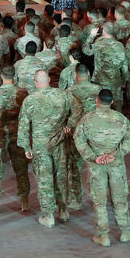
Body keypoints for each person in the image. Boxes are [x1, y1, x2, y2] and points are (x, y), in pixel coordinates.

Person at [75, 88, 130, 246]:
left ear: (97, 100)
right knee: (120, 198)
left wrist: (94, 156)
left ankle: (103, 235)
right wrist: (117, 154)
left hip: (97, 166)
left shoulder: (87, 119)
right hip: (116, 164)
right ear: (112, 102)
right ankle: (125, 231)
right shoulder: (120, 119)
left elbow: (79, 140)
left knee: (99, 201)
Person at [19, 69, 77, 227]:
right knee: (61, 175)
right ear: (49, 80)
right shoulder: (63, 95)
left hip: (40, 145)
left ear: (36, 82)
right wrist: (69, 126)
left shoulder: (30, 100)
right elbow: (77, 110)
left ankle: (49, 215)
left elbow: (24, 125)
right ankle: (63, 210)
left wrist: (26, 146)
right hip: (59, 141)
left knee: (45, 179)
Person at [0, 64, 31, 213]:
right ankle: (25, 201)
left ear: (2, 76)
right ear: (14, 76)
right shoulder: (23, 93)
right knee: (21, 168)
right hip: (18, 135)